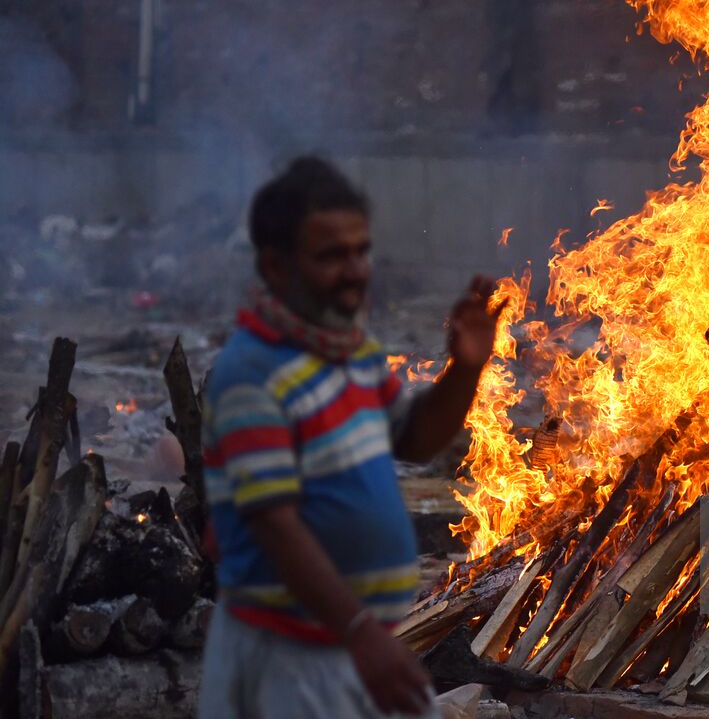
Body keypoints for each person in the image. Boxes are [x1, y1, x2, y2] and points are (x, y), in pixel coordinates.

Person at [198, 156, 503, 719]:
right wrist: (363, 635)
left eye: (361, 251)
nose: (356, 270)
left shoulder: (352, 355)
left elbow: (413, 440)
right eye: (331, 257)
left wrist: (464, 370)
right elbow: (274, 527)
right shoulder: (251, 373)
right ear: (276, 266)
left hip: (356, 651)